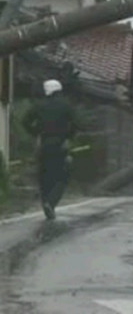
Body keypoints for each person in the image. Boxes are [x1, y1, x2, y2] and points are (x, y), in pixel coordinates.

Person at [23, 79, 77, 220]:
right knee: (62, 176)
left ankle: (45, 203)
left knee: (44, 176)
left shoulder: (39, 106)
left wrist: (36, 133)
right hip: (60, 144)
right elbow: (76, 123)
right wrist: (68, 137)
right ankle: (51, 203)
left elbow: (25, 121)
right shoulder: (66, 105)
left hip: (44, 143)